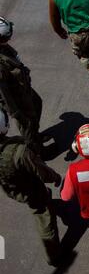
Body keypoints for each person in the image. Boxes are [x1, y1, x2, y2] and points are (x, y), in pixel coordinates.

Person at [0, 110, 62, 265]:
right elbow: (42, 171)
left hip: (11, 188)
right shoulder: (19, 151)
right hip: (29, 187)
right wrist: (56, 177)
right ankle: (54, 255)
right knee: (43, 213)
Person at [0, 17, 45, 153]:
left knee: (37, 104)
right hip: (16, 99)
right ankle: (36, 152)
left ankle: (35, 137)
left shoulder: (4, 48)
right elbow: (3, 93)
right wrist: (16, 113)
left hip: (23, 89)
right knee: (27, 124)